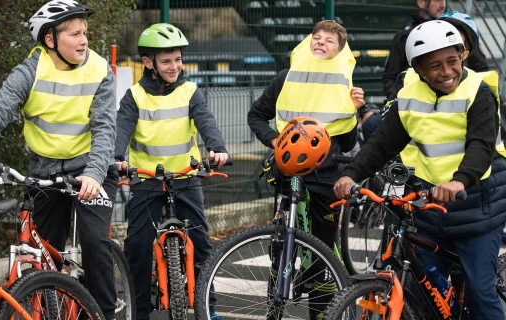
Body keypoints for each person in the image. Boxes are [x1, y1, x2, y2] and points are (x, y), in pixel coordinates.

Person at [334, 20, 506, 319]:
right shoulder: (409, 93)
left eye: (452, 61)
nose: (447, 72)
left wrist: (459, 181)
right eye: (436, 66)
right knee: (422, 294)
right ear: (418, 69)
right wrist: (351, 173)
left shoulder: (478, 91)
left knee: (481, 293)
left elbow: (481, 145)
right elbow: (383, 143)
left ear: (463, 56)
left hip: (477, 207)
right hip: (429, 207)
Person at [0, 0, 117, 318]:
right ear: (50, 40)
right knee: (44, 256)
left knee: (95, 243)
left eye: (85, 32)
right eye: (74, 34)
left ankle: (106, 314)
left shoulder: (99, 70)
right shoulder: (30, 70)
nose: (84, 40)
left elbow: (105, 129)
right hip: (45, 171)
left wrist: (95, 174)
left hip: (90, 169)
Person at [247, 20, 365, 319]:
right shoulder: (288, 77)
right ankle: (273, 308)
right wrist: (276, 141)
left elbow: (348, 141)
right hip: (288, 172)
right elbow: (257, 114)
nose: (320, 42)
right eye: (316, 37)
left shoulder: (344, 84)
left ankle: (321, 312)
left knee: (322, 252)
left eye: (329, 40)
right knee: (280, 245)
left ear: (340, 51)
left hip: (327, 177)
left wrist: (354, 110)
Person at [114, 23, 228, 320]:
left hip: (186, 178)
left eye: (177, 59)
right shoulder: (135, 96)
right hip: (147, 180)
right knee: (137, 246)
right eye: (166, 61)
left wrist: (216, 148)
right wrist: (116, 157)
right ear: (148, 63)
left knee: (201, 244)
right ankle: (139, 312)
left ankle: (208, 308)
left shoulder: (190, 91)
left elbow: (206, 122)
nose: (174, 66)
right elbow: (121, 130)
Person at [382, 0, 490, 99]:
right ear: (421, 2)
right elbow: (391, 77)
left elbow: (481, 69)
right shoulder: (404, 36)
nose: (443, 5)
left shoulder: (457, 32)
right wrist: (398, 102)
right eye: (438, 0)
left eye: (452, 61)